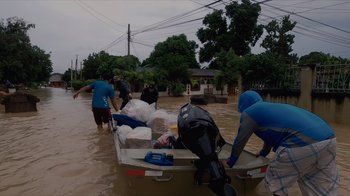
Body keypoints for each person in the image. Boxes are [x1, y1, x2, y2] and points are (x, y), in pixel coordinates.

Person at [223, 90, 339, 196]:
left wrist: (231, 162)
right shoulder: (268, 108)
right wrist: (264, 152)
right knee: (318, 185)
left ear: (242, 105)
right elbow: (271, 134)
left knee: (275, 182)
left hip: (301, 144)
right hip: (329, 140)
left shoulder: (249, 113)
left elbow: (240, 140)